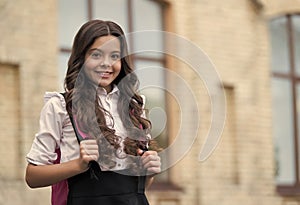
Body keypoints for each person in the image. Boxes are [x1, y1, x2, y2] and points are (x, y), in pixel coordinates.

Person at [25, 19, 161, 205]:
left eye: (114, 56)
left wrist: (149, 171)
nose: (106, 64)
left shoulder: (134, 107)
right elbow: (32, 177)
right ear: (81, 58)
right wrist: (78, 164)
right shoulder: (60, 106)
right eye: (96, 55)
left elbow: (136, 189)